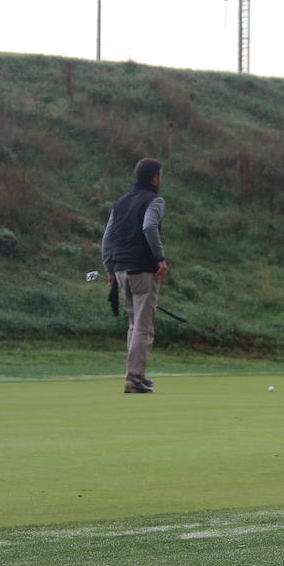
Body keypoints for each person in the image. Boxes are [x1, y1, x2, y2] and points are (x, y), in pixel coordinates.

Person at [101, 158, 169, 394]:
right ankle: (134, 378)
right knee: (143, 326)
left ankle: (136, 373)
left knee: (134, 324)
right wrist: (159, 257)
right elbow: (149, 227)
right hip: (142, 269)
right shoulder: (155, 201)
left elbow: (107, 239)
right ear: (155, 178)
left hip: (121, 269)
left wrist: (110, 269)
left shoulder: (120, 202)